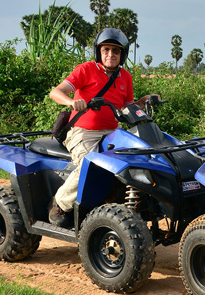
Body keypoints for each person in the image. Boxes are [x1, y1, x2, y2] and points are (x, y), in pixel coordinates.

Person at [47, 27, 154, 227]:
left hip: (113, 134)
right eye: (106, 50)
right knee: (89, 163)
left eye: (116, 51)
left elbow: (125, 106)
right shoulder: (85, 70)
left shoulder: (125, 77)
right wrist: (71, 102)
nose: (110, 54)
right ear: (99, 52)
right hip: (82, 132)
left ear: (122, 54)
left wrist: (144, 101)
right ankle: (59, 203)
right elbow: (56, 92)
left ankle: (115, 205)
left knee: (136, 161)